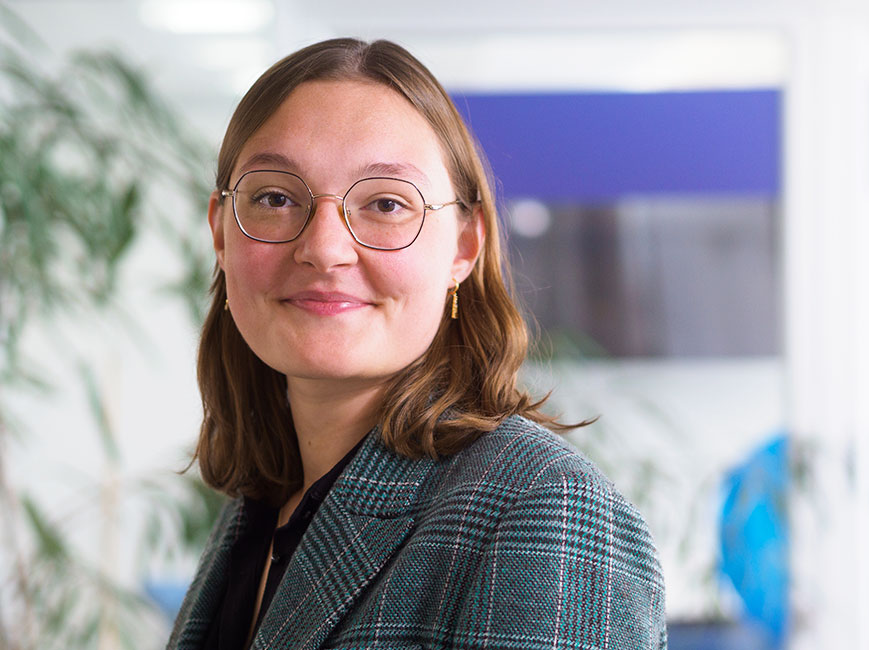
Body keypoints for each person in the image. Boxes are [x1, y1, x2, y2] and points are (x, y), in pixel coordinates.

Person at [168, 38, 667, 650]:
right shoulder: (259, 508)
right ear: (221, 232)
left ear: (463, 246)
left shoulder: (546, 511)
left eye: (386, 203)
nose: (324, 249)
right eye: (275, 199)